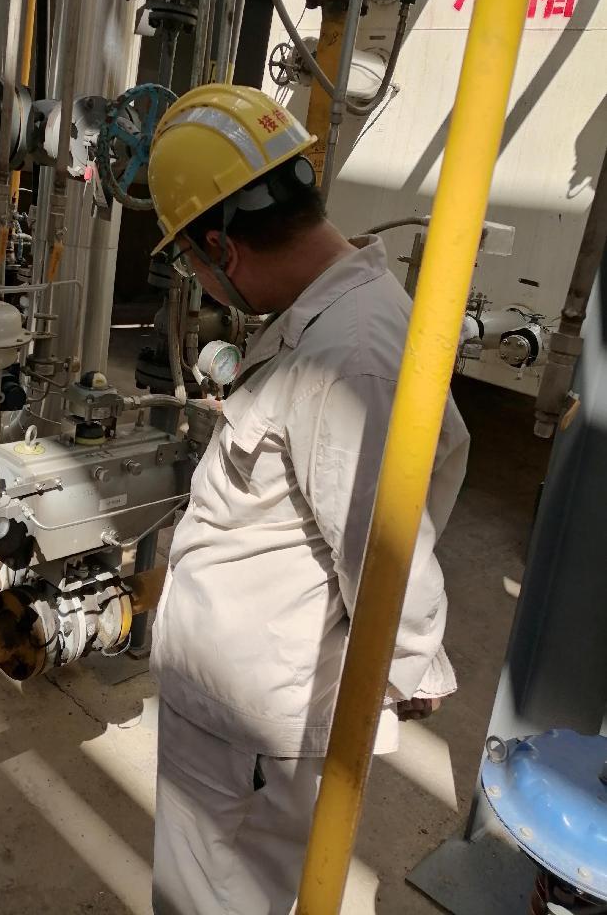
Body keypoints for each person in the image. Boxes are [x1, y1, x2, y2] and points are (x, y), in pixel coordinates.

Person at [144, 84, 469, 915]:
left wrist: (408, 665)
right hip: (236, 720)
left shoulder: (349, 358)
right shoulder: (334, 315)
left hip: (248, 738)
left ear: (222, 247)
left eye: (190, 264)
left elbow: (388, 554)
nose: (199, 282)